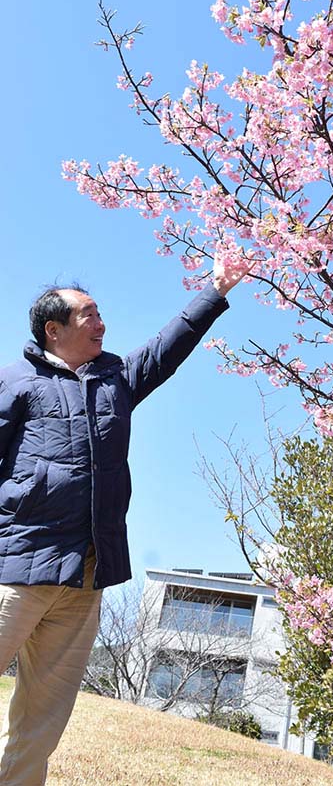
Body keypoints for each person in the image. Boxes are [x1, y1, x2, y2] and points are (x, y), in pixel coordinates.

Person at [0, 255, 248, 785]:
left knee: (41, 723)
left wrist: (216, 290)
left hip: (86, 575)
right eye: (89, 315)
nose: (101, 323)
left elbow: (164, 351)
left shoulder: (114, 378)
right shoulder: (16, 382)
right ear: (54, 329)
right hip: (16, 568)